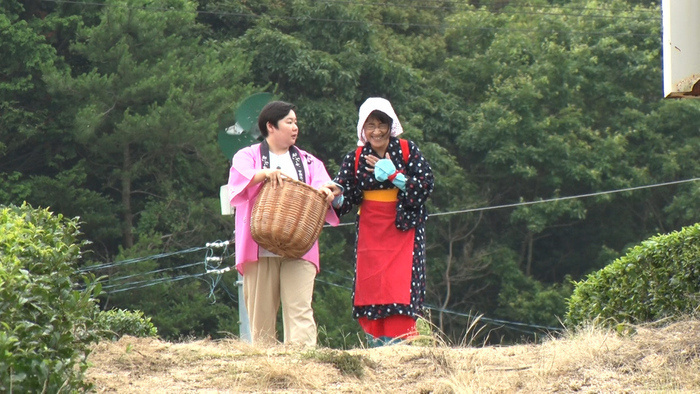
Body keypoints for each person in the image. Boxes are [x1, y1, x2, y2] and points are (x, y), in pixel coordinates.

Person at [227, 100, 339, 347]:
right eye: (289, 122)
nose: (295, 127)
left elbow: (326, 185)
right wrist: (266, 173)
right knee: (261, 319)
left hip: (299, 246)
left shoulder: (309, 161)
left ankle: (303, 367)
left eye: (296, 122)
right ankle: (268, 373)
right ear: (271, 126)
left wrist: (329, 192)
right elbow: (239, 180)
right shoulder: (248, 155)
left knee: (300, 310)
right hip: (259, 246)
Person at [328, 97, 434, 347]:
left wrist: (396, 175)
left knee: (400, 287)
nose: (376, 131)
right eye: (370, 125)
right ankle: (376, 347)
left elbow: (425, 186)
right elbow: (347, 195)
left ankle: (401, 347)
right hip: (371, 231)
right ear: (362, 129)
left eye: (381, 124)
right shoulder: (355, 158)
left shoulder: (408, 150)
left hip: (403, 229)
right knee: (373, 288)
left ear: (391, 125)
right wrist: (333, 196)